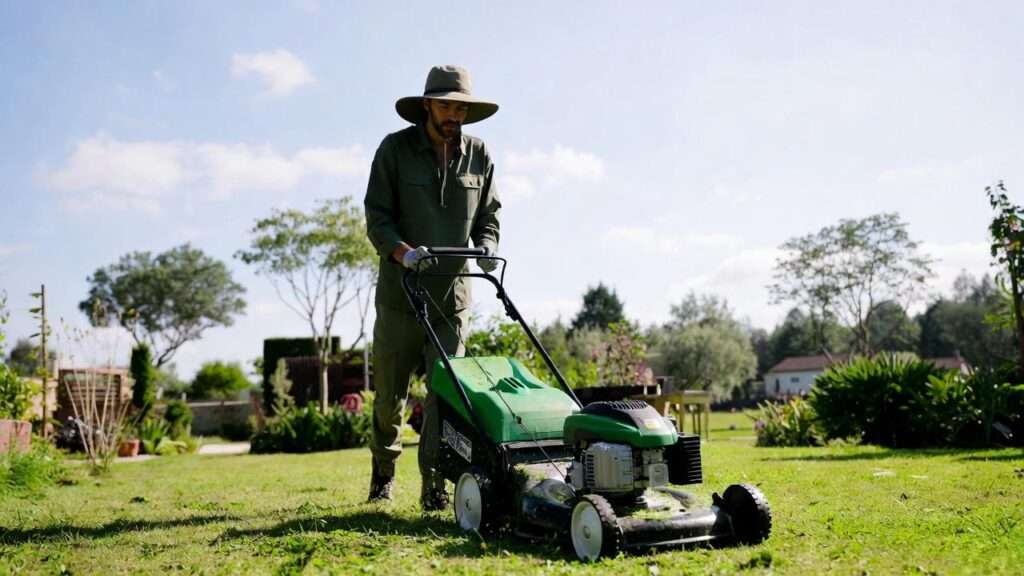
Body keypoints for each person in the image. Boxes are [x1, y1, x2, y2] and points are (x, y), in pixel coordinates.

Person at [363, 65, 501, 509]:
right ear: (427, 105)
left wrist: (486, 246)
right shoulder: (395, 150)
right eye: (445, 106)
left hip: (452, 299)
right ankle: (383, 476)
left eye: (461, 108)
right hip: (401, 294)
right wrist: (403, 253)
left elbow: (489, 216)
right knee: (390, 397)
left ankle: (435, 486)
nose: (454, 115)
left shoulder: (479, 155)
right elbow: (377, 217)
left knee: (445, 398)